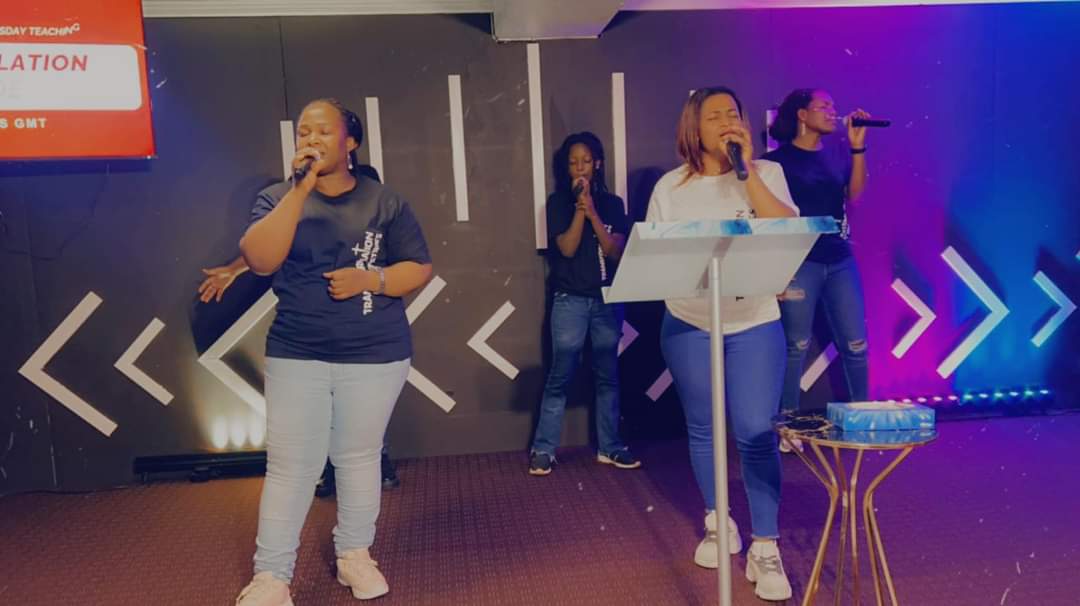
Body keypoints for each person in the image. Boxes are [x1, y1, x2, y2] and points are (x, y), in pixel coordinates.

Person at [234, 98, 432, 605]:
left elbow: (419, 267)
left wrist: (372, 280)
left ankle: (354, 556)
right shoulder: (277, 197)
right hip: (297, 351)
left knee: (358, 456)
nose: (311, 140)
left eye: (323, 131)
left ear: (351, 143)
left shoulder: (385, 201)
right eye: (304, 132)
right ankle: (272, 577)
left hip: (376, 352)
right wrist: (300, 190)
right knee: (291, 465)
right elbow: (260, 259)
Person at [647, 86, 796, 601]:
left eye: (733, 113)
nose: (727, 121)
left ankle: (765, 545)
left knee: (755, 430)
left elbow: (788, 232)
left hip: (754, 320)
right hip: (689, 321)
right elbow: (656, 259)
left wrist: (746, 171)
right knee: (704, 426)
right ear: (694, 128)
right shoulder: (672, 187)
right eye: (715, 116)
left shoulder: (766, 172)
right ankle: (718, 519)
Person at [198, 164, 402, 491]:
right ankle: (334, 469)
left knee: (362, 411)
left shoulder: (382, 224)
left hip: (366, 330)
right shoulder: (310, 216)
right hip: (315, 330)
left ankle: (378, 463)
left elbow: (406, 268)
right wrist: (233, 270)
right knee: (324, 406)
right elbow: (271, 250)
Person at [762, 89, 871, 453]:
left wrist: (858, 147)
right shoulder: (775, 162)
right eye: (824, 105)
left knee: (856, 344)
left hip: (839, 259)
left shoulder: (838, 153)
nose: (832, 111)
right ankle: (788, 426)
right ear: (802, 115)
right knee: (795, 345)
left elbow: (854, 196)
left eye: (833, 105)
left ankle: (861, 420)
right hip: (799, 262)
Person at [528, 132, 640, 476]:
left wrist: (593, 213)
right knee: (560, 375)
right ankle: (543, 449)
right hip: (570, 301)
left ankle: (610, 446)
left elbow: (615, 251)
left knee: (608, 376)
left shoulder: (613, 204)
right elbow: (566, 248)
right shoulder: (558, 202)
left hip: (607, 300)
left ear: (598, 164)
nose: (580, 168)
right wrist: (580, 210)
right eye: (573, 162)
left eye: (586, 161)